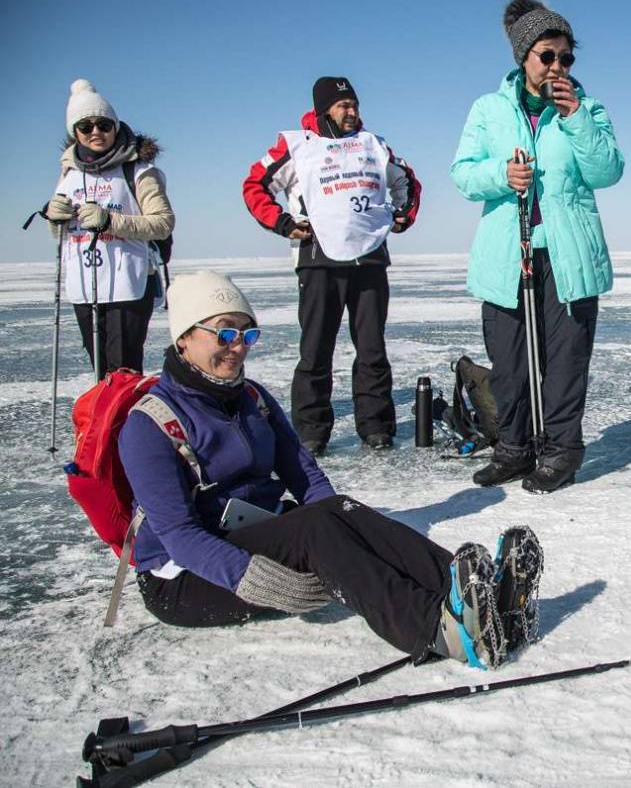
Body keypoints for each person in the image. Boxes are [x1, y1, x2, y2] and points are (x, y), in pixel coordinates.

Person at [118, 271, 541, 669]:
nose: (239, 346)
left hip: (252, 535)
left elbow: (305, 476)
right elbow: (179, 536)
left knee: (337, 512)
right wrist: (254, 577)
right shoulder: (150, 423)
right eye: (225, 332)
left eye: (248, 334)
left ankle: (465, 589)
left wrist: (343, 530)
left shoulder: (251, 397)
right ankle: (434, 628)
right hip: (184, 578)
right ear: (184, 338)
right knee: (316, 530)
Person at [450, 0, 624, 494]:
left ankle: (561, 452)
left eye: (566, 57)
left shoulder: (587, 108)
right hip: (509, 252)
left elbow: (607, 171)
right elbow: (462, 174)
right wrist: (501, 175)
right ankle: (513, 448)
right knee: (509, 362)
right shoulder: (488, 109)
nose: (557, 66)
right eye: (547, 56)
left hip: (568, 255)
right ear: (524, 57)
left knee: (565, 363)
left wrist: (575, 120)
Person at [242, 76, 421, 454]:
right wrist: (284, 224)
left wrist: (404, 215)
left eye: (355, 104)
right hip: (317, 261)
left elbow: (407, 181)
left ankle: (376, 427)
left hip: (370, 258)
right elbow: (255, 185)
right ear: (325, 109)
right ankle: (311, 432)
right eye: (344, 106)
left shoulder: (373, 145)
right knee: (316, 349)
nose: (352, 112)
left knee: (372, 349)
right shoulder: (297, 145)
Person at [44, 79, 175, 379]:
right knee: (100, 371)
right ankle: (105, 426)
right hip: (84, 285)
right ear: (74, 132)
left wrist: (109, 221)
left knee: (124, 372)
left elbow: (163, 222)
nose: (96, 133)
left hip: (127, 284)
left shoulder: (138, 170)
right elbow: (62, 235)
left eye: (103, 124)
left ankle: (127, 425)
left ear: (115, 125)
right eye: (86, 126)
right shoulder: (68, 171)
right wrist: (56, 218)